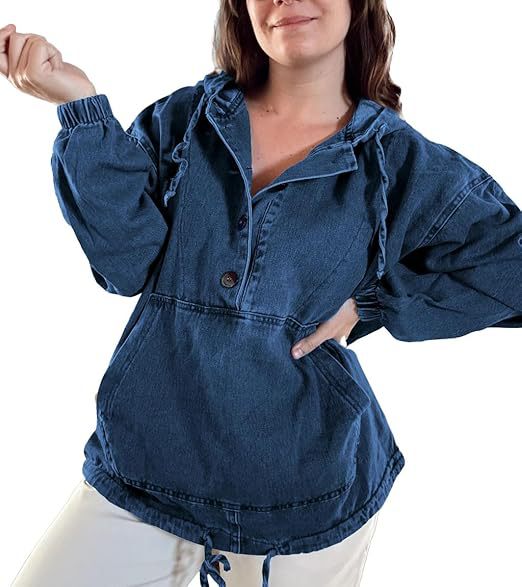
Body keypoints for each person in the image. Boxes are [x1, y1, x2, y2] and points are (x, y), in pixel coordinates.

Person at [2, 0, 521, 585]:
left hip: (304, 496)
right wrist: (79, 105)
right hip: (148, 461)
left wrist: (375, 302)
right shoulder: (187, 121)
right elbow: (125, 263)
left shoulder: (397, 162)